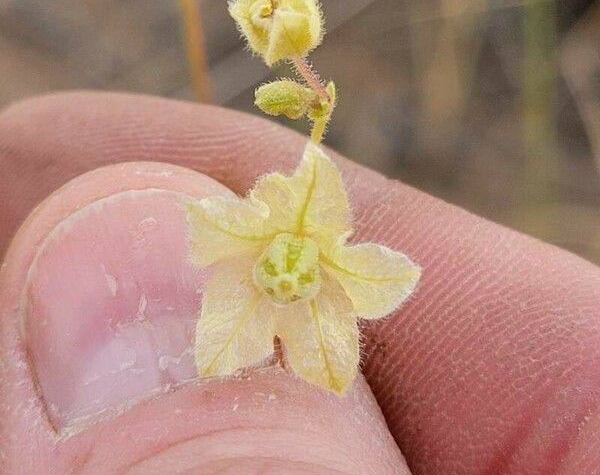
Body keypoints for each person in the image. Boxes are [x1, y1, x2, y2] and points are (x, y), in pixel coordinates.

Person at [0, 92, 598, 474]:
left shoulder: (313, 238)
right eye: (286, 269)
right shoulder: (273, 233)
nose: (286, 276)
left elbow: (360, 309)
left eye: (289, 270)